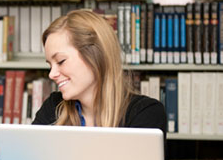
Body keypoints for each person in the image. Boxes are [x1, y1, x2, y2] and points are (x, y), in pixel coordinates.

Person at [33, 9, 167, 135]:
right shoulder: (53, 107)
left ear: (95, 55)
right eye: (50, 65)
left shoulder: (145, 113)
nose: (51, 74)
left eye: (61, 61)